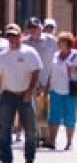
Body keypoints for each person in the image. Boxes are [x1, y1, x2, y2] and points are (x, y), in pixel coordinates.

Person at [0, 23, 41, 163]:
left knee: (30, 129)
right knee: (4, 129)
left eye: (15, 35)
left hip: (25, 94)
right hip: (8, 94)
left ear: (21, 36)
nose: (12, 38)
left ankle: (29, 158)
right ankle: (6, 160)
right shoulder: (2, 55)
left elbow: (35, 72)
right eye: (9, 36)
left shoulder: (29, 52)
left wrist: (30, 91)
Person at [45, 32, 77, 151]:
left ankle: (69, 142)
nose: (58, 43)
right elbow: (51, 72)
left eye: (61, 41)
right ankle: (52, 141)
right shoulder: (55, 55)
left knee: (70, 116)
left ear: (68, 43)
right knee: (54, 116)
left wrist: (72, 68)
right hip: (55, 89)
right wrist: (47, 87)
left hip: (71, 90)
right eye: (58, 41)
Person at [23, 18, 56, 149]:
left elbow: (55, 59)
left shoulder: (51, 41)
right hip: (29, 80)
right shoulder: (25, 42)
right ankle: (34, 137)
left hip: (45, 78)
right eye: (30, 27)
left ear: (40, 28)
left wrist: (51, 80)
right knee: (31, 110)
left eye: (35, 27)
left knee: (43, 108)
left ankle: (46, 137)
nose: (33, 30)